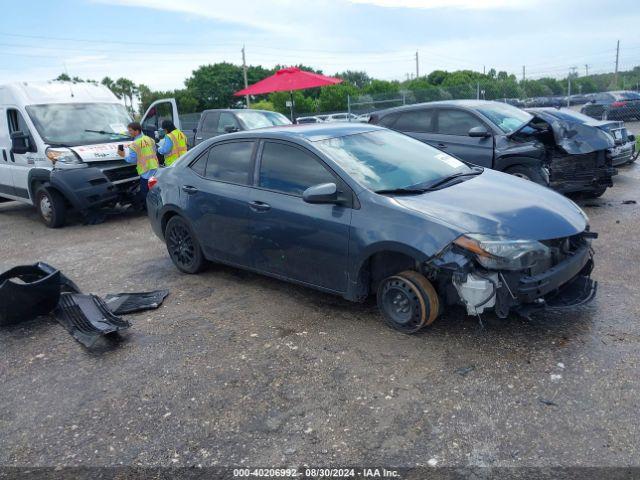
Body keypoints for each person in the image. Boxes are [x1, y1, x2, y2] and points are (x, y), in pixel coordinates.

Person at [117, 121, 158, 209]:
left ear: (137, 131)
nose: (129, 132)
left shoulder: (134, 144)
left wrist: (123, 155)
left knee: (146, 194)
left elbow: (132, 160)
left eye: (130, 130)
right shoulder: (150, 139)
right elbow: (154, 151)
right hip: (155, 169)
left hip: (145, 172)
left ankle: (151, 211)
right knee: (155, 191)